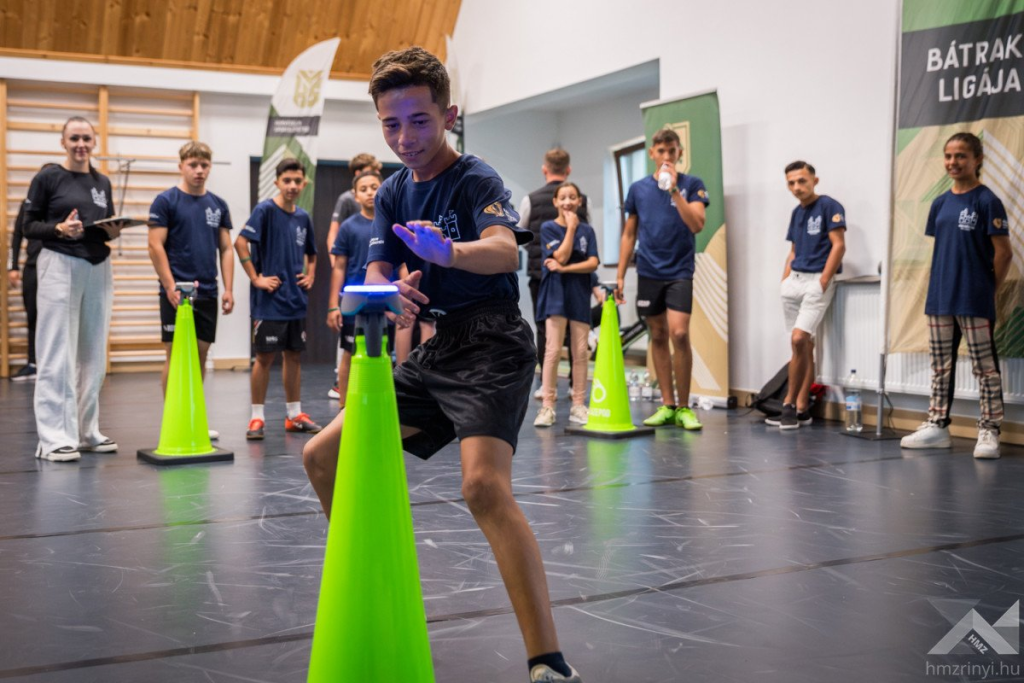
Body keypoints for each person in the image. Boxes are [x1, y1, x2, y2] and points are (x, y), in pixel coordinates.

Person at [302, 47, 583, 683]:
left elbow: (505, 251)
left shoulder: (477, 179)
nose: (405, 137)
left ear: (448, 116)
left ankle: (549, 662)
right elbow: (375, 271)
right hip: (440, 346)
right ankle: (377, 584)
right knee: (321, 456)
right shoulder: (392, 190)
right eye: (391, 124)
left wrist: (448, 252)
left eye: (419, 121)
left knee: (483, 487)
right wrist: (388, 291)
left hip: (493, 344)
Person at [901, 132, 1013, 459]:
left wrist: (988, 289)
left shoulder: (987, 200)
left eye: (961, 156)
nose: (953, 162)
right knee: (940, 366)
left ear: (977, 160)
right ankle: (937, 425)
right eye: (948, 156)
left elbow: (1004, 253)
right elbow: (945, 248)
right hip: (940, 297)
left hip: (973, 296)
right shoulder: (940, 203)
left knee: (985, 368)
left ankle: (990, 429)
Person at [22, 117, 124, 461]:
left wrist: (113, 231)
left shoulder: (102, 181)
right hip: (59, 262)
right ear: (63, 142)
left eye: (86, 138)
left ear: (94, 142)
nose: (81, 144)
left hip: (97, 265)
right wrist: (59, 229)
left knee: (93, 354)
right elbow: (28, 226)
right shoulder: (48, 178)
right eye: (74, 138)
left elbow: (106, 222)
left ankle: (86, 432)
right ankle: (53, 439)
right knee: (57, 352)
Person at [615, 127, 707, 430]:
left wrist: (674, 190)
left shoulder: (693, 185)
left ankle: (684, 407)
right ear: (652, 153)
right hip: (649, 271)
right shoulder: (638, 189)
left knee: (679, 334)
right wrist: (620, 275)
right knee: (657, 335)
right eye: (661, 151)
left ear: (679, 153)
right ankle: (667, 405)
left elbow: (697, 224)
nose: (666, 155)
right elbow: (629, 234)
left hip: (679, 271)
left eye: (672, 150)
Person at [147, 141, 234, 436]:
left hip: (207, 290)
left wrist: (228, 288)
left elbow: (226, 248)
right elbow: (155, 245)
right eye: (193, 165)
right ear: (181, 166)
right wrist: (170, 285)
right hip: (176, 291)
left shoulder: (218, 205)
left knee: (200, 355)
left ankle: (193, 419)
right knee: (175, 355)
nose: (199, 170)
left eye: (204, 165)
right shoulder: (165, 201)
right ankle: (174, 421)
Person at [235, 158, 321, 440]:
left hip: (295, 300)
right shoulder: (264, 211)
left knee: (293, 356)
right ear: (277, 182)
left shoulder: (303, 217)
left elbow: (312, 253)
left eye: (297, 181)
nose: (292, 185)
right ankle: (256, 418)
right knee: (264, 358)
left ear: (304, 183)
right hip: (269, 301)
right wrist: (255, 278)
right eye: (287, 181)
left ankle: (294, 415)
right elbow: (240, 242)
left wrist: (310, 275)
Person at [766, 161, 846, 430]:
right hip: (795, 281)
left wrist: (823, 280)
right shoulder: (796, 213)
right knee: (803, 345)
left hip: (816, 281)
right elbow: (793, 250)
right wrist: (784, 280)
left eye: (802, 181)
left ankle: (788, 403)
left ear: (815, 180)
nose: (797, 187)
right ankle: (802, 407)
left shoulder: (829, 206)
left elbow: (839, 246)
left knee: (799, 338)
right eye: (791, 183)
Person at [518, 148, 589, 399]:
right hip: (574, 278)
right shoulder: (583, 200)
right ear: (568, 170)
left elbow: (521, 234)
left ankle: (545, 385)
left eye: (572, 199)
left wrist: (537, 252)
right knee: (573, 331)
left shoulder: (530, 199)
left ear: (544, 169)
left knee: (543, 329)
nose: (568, 203)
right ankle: (572, 385)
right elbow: (587, 235)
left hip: (541, 274)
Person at [534, 182, 599, 428]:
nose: (568, 202)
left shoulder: (588, 231)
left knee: (580, 351)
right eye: (563, 198)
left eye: (572, 197)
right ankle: (548, 406)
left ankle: (578, 405)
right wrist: (571, 229)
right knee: (552, 350)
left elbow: (592, 263)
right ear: (555, 202)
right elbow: (559, 255)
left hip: (579, 293)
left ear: (579, 201)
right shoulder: (548, 228)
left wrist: (565, 269)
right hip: (555, 294)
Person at [326, 170, 384, 408]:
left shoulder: (390, 224)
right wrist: (333, 306)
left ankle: (379, 404)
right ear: (355, 195)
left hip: (383, 302)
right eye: (364, 189)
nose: (370, 192)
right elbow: (339, 267)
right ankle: (344, 407)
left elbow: (401, 265)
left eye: (374, 187)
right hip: (354, 302)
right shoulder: (348, 227)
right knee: (349, 353)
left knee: (382, 353)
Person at [7, 164, 54, 381]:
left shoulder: (63, 204)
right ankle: (33, 363)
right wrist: (13, 266)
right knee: (33, 315)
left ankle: (57, 364)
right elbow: (17, 235)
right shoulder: (28, 205)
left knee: (58, 318)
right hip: (33, 267)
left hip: (57, 267)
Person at [326, 153, 383, 266]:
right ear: (358, 173)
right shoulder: (346, 199)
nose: (376, 173)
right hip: (355, 259)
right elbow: (333, 232)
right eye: (372, 170)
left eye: (377, 171)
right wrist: (335, 263)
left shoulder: (382, 196)